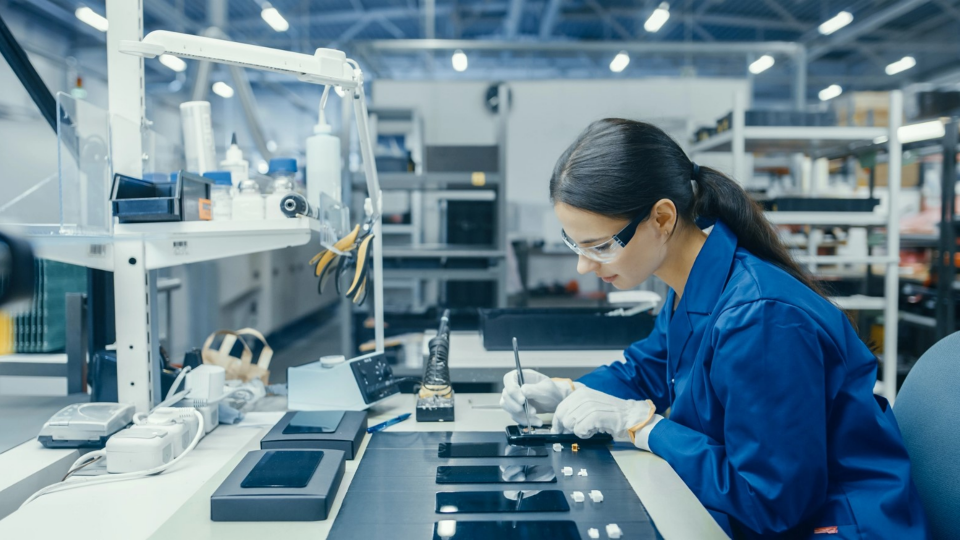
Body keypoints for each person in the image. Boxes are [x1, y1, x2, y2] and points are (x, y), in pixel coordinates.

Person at [500, 119, 930, 539]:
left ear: (662, 218)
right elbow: (647, 371)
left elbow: (773, 502)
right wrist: (566, 392)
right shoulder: (695, 282)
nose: (583, 265)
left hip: (836, 525)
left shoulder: (760, 318)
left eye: (600, 246)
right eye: (575, 244)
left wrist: (644, 427)